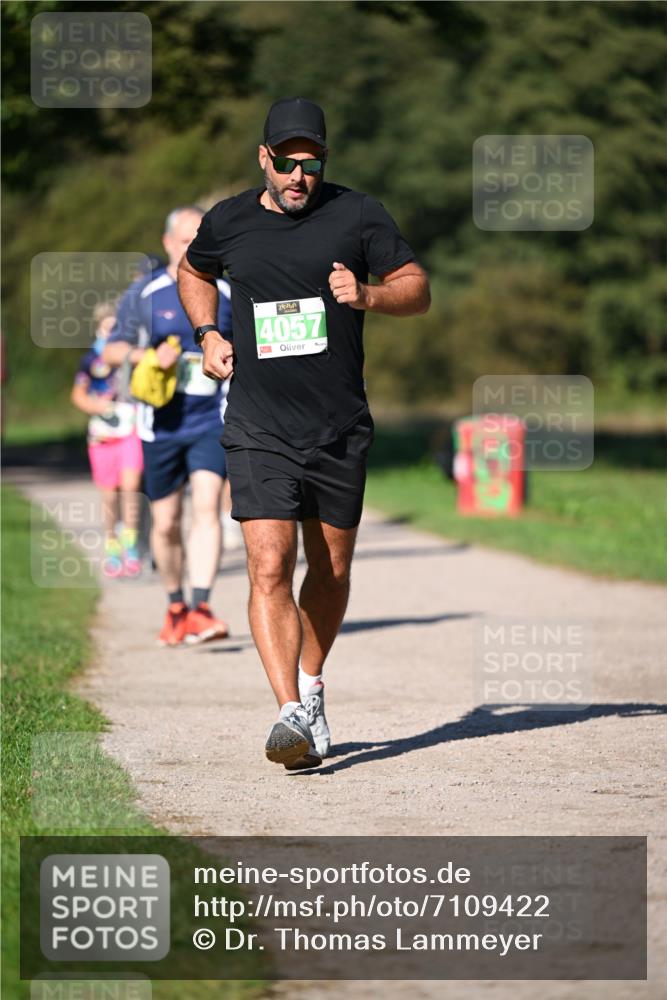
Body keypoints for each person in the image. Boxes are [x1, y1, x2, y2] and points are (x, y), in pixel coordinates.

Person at [178, 97, 430, 769]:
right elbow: (193, 269)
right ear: (263, 158)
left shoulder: (358, 214)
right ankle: (288, 711)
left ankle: (312, 686)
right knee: (268, 566)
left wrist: (369, 295)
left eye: (310, 164)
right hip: (258, 426)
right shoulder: (227, 221)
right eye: (286, 163)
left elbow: (416, 286)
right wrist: (207, 333)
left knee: (332, 569)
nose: (298, 176)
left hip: (338, 426)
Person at [103, 207, 233, 645]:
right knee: (164, 522)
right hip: (158, 424)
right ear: (167, 243)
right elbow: (112, 351)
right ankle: (176, 606)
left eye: (200, 239)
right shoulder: (146, 294)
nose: (191, 247)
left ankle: (201, 606)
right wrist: (147, 358)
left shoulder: (229, 293)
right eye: (183, 240)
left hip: (210, 420)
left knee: (208, 506)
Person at [71, 300, 143, 578]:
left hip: (130, 429)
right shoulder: (90, 360)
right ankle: (112, 545)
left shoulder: (132, 356)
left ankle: (132, 545)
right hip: (102, 434)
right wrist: (96, 406)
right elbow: (77, 395)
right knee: (109, 495)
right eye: (106, 329)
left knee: (131, 486)